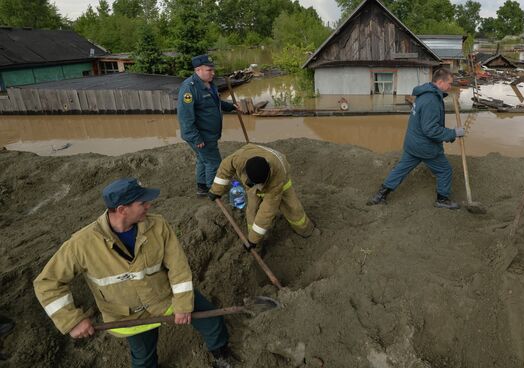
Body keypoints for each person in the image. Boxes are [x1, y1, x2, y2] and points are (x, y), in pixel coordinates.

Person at [33, 178, 234, 368]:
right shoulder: (81, 244)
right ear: (122, 209)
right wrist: (72, 320)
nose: (149, 205)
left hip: (165, 298)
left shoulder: (158, 225)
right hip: (126, 315)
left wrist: (182, 304)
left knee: (211, 321)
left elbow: (178, 267)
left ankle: (220, 354)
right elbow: (47, 283)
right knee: (143, 355)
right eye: (142, 203)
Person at [367, 68, 464, 209]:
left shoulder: (424, 94)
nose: (451, 86)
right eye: (449, 83)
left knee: (401, 169)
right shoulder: (432, 100)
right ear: (440, 82)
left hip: (413, 143)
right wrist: (453, 133)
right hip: (426, 147)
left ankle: (380, 195)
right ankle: (442, 199)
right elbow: (430, 130)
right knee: (445, 170)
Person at [208, 144, 317, 248]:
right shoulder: (238, 158)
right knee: (253, 208)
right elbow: (224, 170)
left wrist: (253, 240)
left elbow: (267, 212)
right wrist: (216, 190)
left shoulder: (276, 180)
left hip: (280, 176)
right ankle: (254, 239)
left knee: (292, 207)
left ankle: (306, 230)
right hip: (255, 161)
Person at [177, 54, 240, 197]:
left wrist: (231, 107)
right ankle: (214, 191)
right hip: (202, 135)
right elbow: (185, 117)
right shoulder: (189, 89)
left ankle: (202, 187)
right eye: (209, 70)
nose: (213, 73)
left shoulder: (209, 84)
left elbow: (214, 103)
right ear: (198, 70)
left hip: (209, 133)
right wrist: (196, 138)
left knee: (203, 159)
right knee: (214, 162)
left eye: (213, 69)